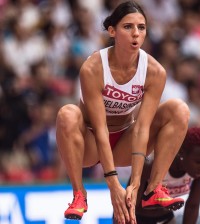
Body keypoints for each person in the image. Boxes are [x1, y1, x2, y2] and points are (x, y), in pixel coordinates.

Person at [55, 1, 190, 224]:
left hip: (125, 142)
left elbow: (142, 128)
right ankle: (79, 194)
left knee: (179, 109)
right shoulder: (93, 68)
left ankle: (153, 189)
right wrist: (113, 185)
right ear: (112, 31)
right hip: (89, 144)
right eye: (128, 27)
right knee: (67, 113)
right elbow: (99, 129)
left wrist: (135, 184)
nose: (136, 33)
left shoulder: (155, 71)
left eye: (142, 27)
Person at [131, 127, 200, 224]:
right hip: (136, 216)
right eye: (198, 162)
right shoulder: (152, 164)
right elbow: (131, 203)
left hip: (165, 216)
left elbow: (193, 205)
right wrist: (161, 202)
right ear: (181, 152)